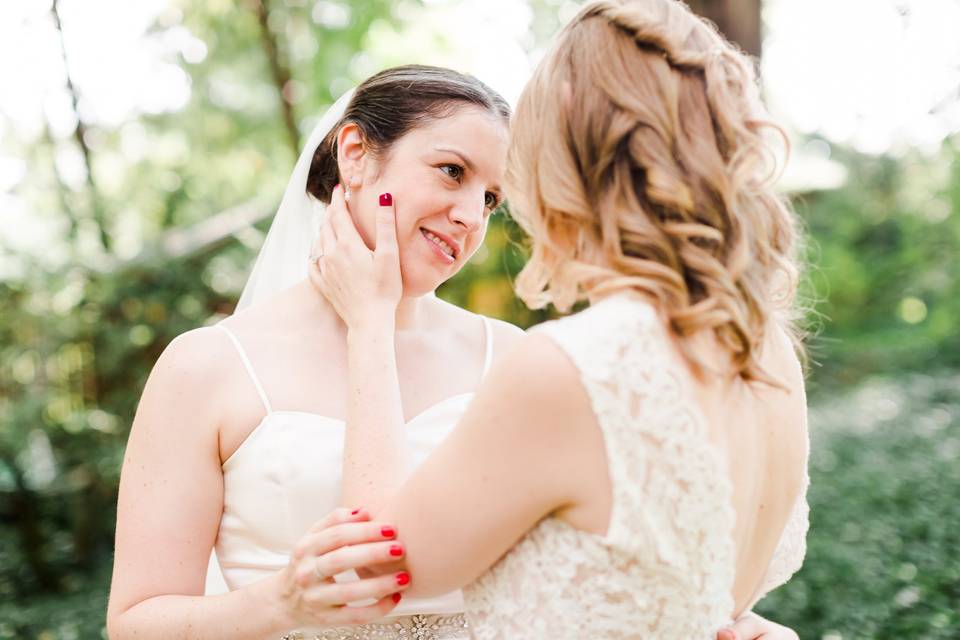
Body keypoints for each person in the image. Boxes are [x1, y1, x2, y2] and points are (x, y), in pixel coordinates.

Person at [107, 60, 797, 640]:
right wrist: (281, 601)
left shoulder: (517, 355)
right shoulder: (206, 367)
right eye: (450, 171)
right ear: (354, 154)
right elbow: (134, 620)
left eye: (493, 196)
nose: (471, 215)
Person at [308, 0, 809, 638]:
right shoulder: (767, 355)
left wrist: (370, 321)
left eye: (498, 187)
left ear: (566, 151)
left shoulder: (572, 367)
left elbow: (375, 563)